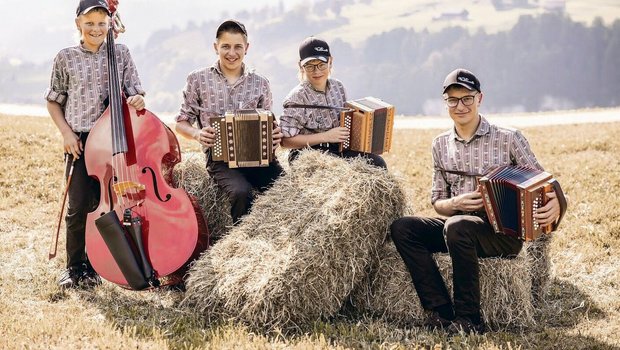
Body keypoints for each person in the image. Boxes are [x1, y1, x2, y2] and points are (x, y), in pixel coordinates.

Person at [390, 68, 562, 334]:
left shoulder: (509, 137)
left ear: (479, 98)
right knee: (403, 228)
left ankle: (469, 319)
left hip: (502, 233)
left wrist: (558, 202)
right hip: (457, 230)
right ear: (445, 102)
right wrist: (456, 202)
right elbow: (438, 201)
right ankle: (440, 311)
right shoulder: (439, 144)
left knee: (457, 226)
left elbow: (545, 182)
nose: (460, 106)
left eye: (467, 98)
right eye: (453, 100)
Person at [45, 0, 146, 289]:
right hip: (80, 139)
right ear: (78, 23)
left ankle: (98, 265)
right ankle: (74, 266)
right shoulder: (65, 57)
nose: (96, 28)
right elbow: (53, 101)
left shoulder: (121, 53)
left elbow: (134, 94)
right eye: (89, 22)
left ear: (110, 24)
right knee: (78, 206)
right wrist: (66, 134)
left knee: (106, 206)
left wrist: (138, 99)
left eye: (102, 23)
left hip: (114, 141)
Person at [175, 19, 283, 225]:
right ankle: (241, 245)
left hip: (258, 158)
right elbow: (181, 122)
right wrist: (198, 134)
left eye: (237, 47)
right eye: (225, 46)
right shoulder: (197, 79)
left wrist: (276, 135)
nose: (231, 53)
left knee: (286, 188)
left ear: (247, 48)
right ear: (216, 47)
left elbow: (270, 123)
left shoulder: (260, 83)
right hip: (219, 160)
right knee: (241, 192)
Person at [280, 36, 387, 169]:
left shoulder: (338, 87)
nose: (317, 71)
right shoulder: (296, 97)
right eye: (310, 66)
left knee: (378, 163)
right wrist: (325, 136)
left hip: (338, 149)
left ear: (330, 61)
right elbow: (285, 141)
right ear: (301, 66)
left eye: (321, 64)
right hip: (308, 154)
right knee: (335, 170)